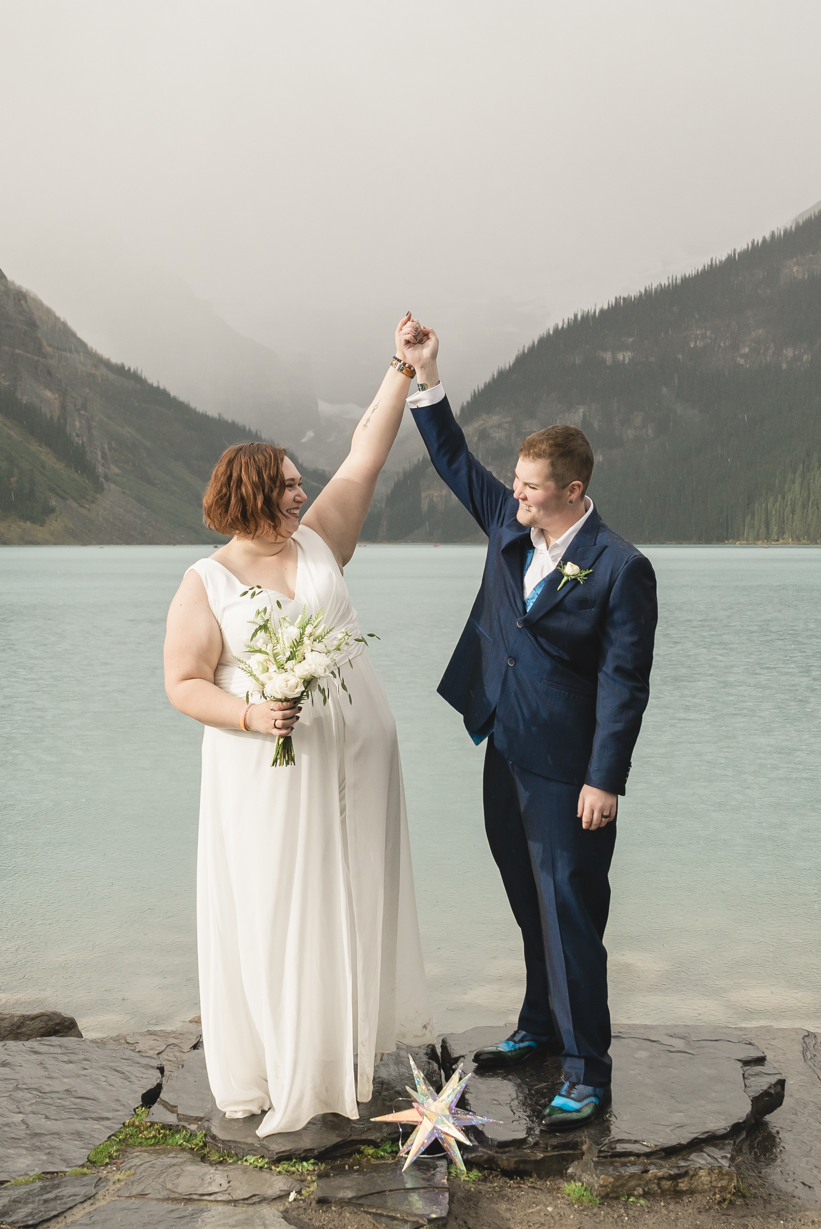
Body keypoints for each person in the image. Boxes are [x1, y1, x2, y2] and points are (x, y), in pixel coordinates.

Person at [397, 313, 657, 1128]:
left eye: (531, 485)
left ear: (573, 491)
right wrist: (425, 376)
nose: (514, 492)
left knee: (571, 907)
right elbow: (451, 461)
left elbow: (625, 680)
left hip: (568, 771)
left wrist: (603, 779)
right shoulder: (510, 526)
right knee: (525, 894)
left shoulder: (621, 568)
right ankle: (540, 1026)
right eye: (515, 481)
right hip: (502, 746)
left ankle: (587, 1068)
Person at [162, 357, 431, 1136]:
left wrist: (401, 371)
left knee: (350, 895)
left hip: (359, 764)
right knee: (280, 901)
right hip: (271, 773)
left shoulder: (319, 544)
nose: (300, 491)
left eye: (297, 480)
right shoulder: (206, 582)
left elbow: (365, 453)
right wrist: (252, 715)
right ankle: (286, 1064)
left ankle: (343, 1056)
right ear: (250, 491)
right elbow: (184, 682)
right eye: (285, 483)